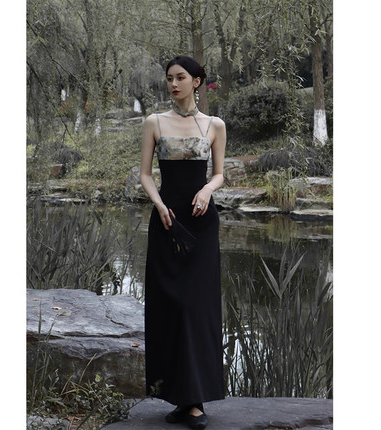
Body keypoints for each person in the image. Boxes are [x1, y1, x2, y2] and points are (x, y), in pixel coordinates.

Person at [140, 55, 226, 430]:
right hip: (166, 221)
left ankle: (195, 401)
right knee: (169, 306)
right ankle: (178, 396)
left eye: (180, 78)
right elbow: (145, 175)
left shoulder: (214, 125)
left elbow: (219, 174)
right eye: (169, 78)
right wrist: (159, 205)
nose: (173, 84)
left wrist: (207, 190)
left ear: (197, 81)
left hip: (201, 225)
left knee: (197, 308)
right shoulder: (154, 122)